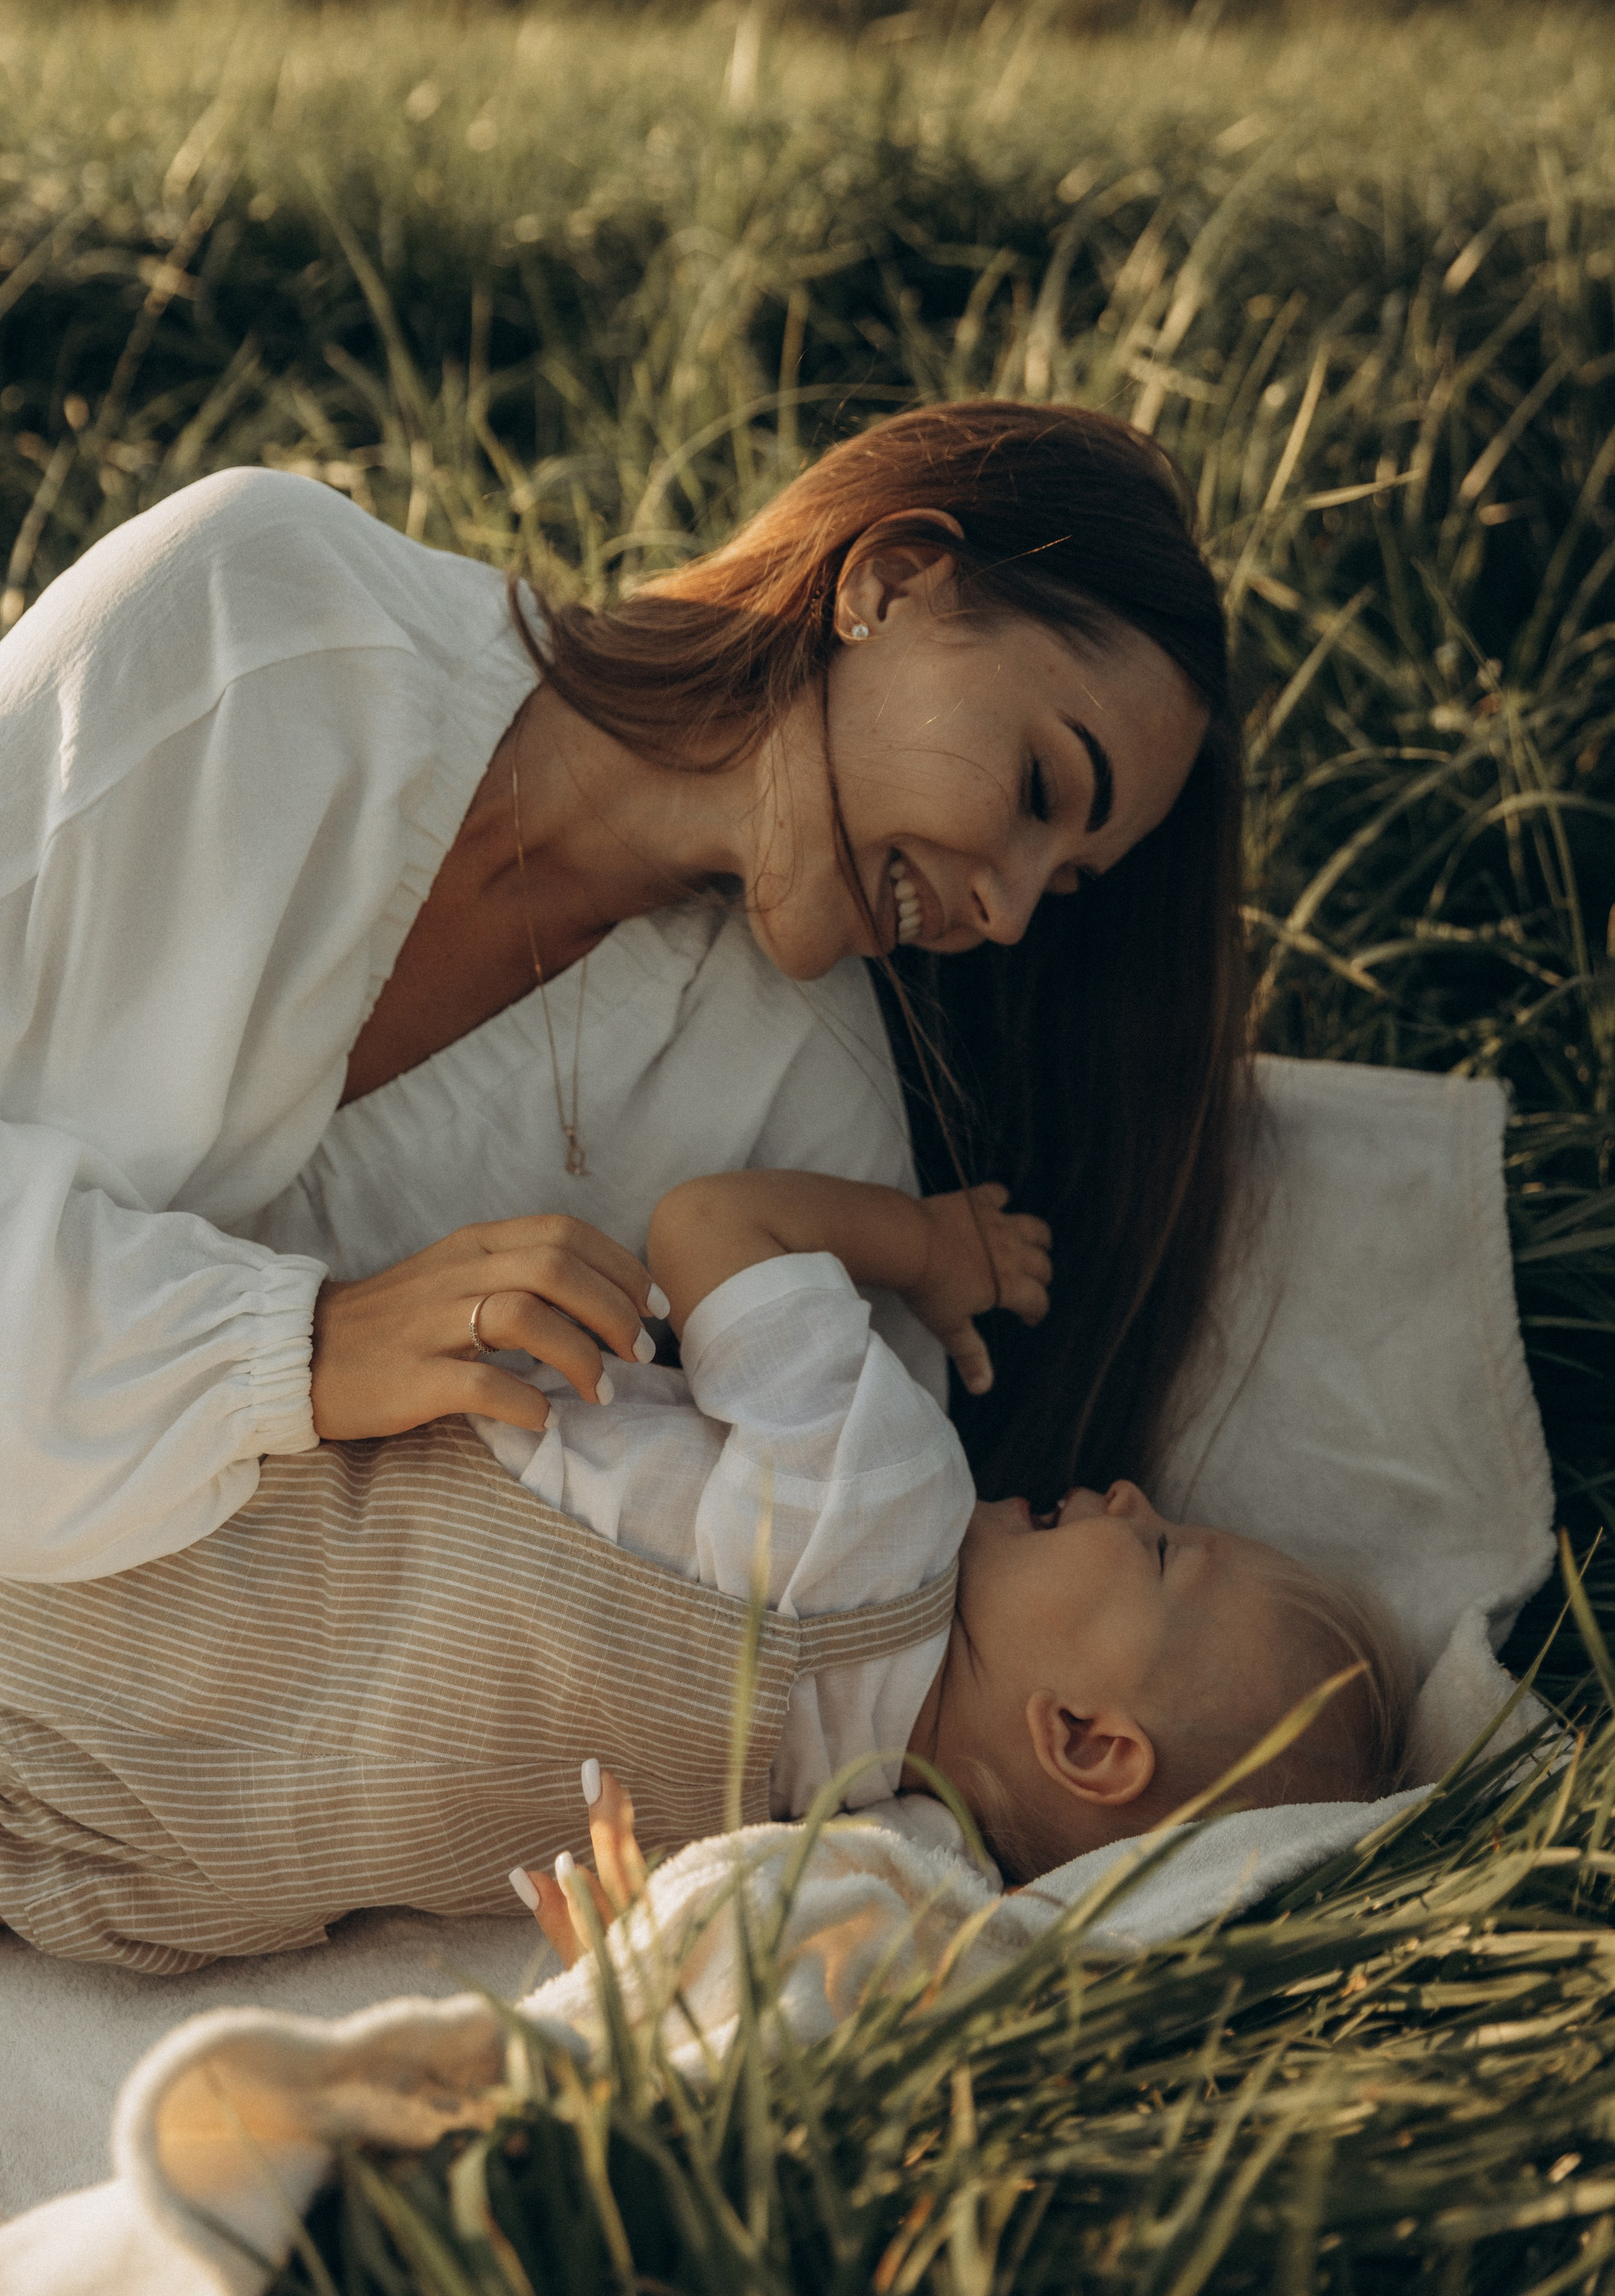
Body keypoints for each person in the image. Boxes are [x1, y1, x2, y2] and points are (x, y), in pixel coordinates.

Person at [0, 400, 1243, 1586]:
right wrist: (300, 1351)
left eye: (1064, 886)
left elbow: (837, 1612)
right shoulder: (262, 620)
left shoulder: (804, 1129)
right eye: (1036, 788)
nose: (1009, 912)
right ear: (889, 583)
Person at [0, 1167, 1408, 1974]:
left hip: (277, 1577)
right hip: (193, 1856)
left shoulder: (890, 1494)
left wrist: (923, 1244)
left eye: (1157, 1549)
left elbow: (707, 1227)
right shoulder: (883, 1857)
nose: (1124, 1491)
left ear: (1087, 1742)